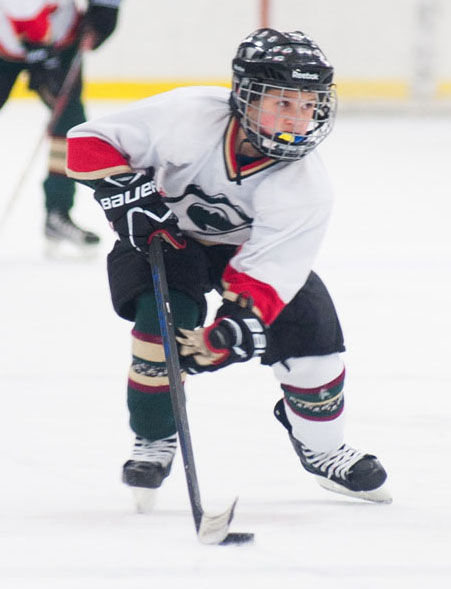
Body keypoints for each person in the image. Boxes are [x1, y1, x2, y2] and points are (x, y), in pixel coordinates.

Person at [66, 28, 392, 504]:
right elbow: (87, 142)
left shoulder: (305, 187)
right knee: (159, 331)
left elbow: (268, 275)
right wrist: (125, 198)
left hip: (246, 253)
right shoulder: (188, 115)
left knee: (313, 347)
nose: (299, 119)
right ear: (244, 96)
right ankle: (155, 437)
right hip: (164, 236)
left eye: (308, 105)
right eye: (283, 103)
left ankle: (323, 449)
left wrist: (231, 331)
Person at [0, 0, 122, 255]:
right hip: (6, 43)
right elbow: (24, 13)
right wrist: (39, 55)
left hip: (61, 40)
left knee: (70, 128)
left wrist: (105, 10)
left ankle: (58, 215)